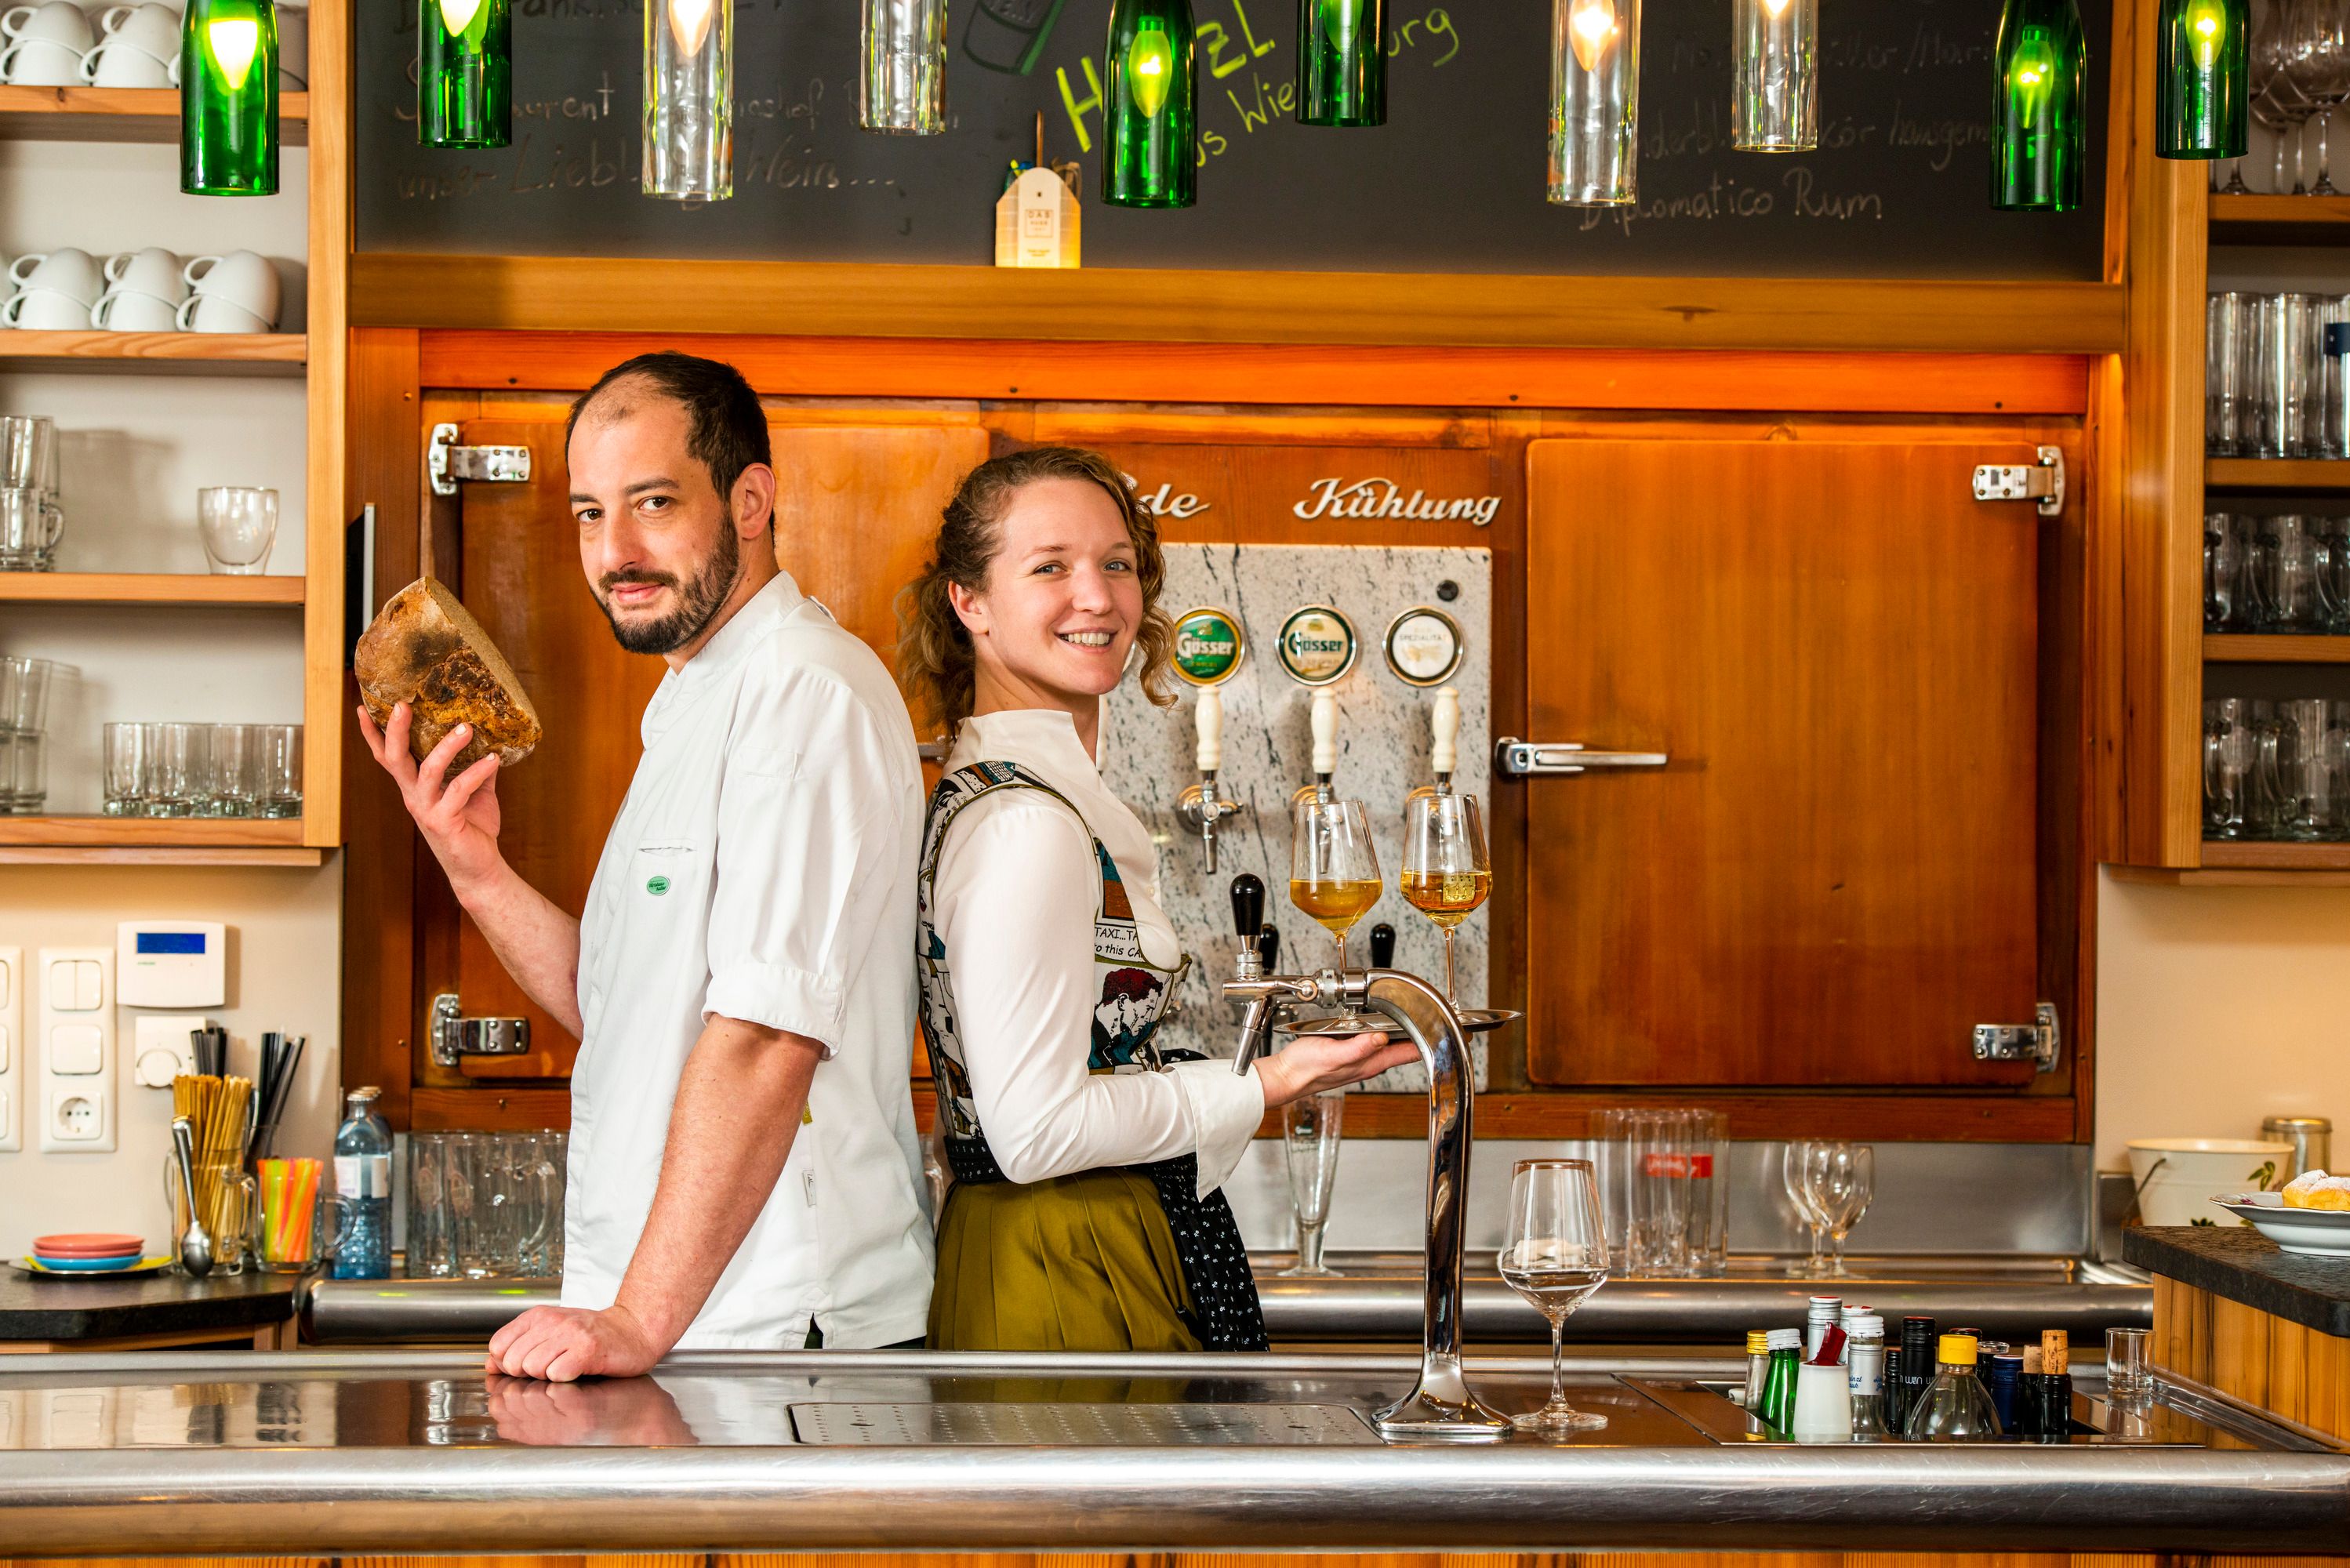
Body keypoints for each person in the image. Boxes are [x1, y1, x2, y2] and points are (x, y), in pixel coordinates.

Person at [359, 352, 934, 1380]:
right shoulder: (690, 701)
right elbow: (628, 1011)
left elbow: (765, 1036)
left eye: (653, 503)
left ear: (750, 500)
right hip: (681, 1326)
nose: (613, 550)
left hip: (775, 1334)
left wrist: (634, 1322)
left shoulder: (800, 692)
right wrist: (473, 864)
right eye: (588, 512)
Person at [898, 446, 1416, 1352]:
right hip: (1065, 1246)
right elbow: (1035, 1132)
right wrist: (1268, 1082)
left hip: (1076, 1233)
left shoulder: (1009, 789)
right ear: (969, 601)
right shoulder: (1028, 823)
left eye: (1117, 563)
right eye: (1050, 566)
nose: (1096, 597)